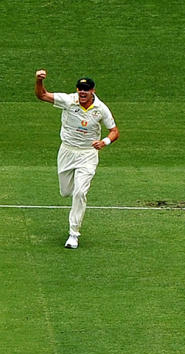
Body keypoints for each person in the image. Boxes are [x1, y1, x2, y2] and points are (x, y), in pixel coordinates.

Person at [35, 70, 119, 249]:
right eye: (80, 89)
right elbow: (42, 95)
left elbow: (114, 131)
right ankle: (75, 193)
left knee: (80, 192)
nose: (82, 92)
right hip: (67, 151)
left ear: (93, 91)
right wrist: (39, 81)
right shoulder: (68, 100)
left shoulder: (101, 109)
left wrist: (104, 142)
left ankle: (73, 234)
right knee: (66, 192)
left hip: (88, 154)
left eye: (86, 89)